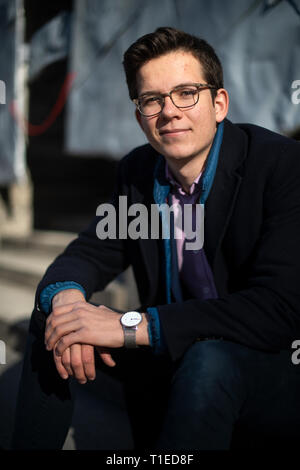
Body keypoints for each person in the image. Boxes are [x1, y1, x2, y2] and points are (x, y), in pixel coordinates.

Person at [12, 26, 300, 450]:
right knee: (55, 318)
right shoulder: (139, 172)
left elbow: (277, 309)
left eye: (186, 93)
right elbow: (89, 252)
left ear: (219, 103)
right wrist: (69, 302)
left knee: (209, 358)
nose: (170, 112)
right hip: (172, 348)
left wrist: (131, 325)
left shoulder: (280, 167)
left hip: (269, 365)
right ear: (139, 117)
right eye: (152, 100)